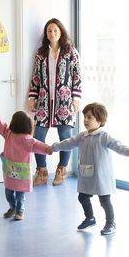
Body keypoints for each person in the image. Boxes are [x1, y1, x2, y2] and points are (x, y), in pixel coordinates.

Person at [50, 103, 129, 236]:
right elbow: (68, 143)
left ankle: (110, 222)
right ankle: (90, 218)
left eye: (89, 117)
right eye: (85, 117)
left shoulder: (104, 136)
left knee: (104, 200)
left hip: (101, 176)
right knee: (82, 197)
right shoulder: (82, 136)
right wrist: (54, 147)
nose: (85, 120)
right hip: (86, 174)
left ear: (99, 121)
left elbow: (118, 146)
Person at [26, 18, 82, 187]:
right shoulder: (41, 53)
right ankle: (42, 172)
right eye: (49, 31)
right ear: (46, 33)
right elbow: (36, 76)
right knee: (38, 137)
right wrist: (32, 96)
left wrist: (76, 97)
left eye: (55, 30)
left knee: (66, 138)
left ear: (61, 32)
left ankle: (61, 170)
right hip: (43, 101)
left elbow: (77, 75)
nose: (52, 33)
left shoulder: (70, 52)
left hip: (64, 101)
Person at [0, 106, 49, 221]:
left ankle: (20, 211)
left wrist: (48, 149)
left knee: (20, 195)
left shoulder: (27, 139)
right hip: (10, 171)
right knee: (9, 192)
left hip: (21, 172)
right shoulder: (8, 134)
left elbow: (37, 145)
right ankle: (13, 207)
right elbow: (0, 124)